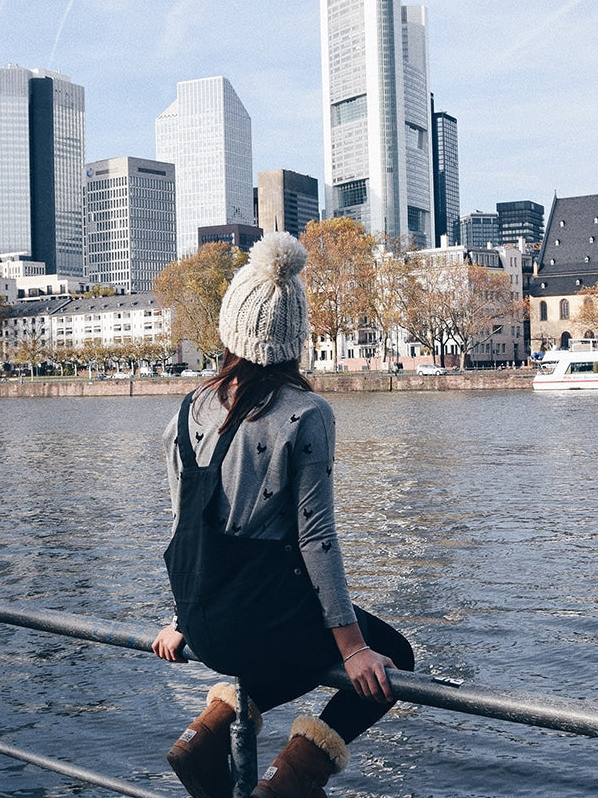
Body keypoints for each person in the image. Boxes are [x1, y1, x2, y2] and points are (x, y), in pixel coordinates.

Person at [152, 231, 415, 798]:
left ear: (229, 327)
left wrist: (181, 617)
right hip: (262, 621)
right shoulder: (306, 413)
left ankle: (210, 729)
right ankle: (296, 773)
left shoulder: (187, 409)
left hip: (204, 626)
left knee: (284, 647)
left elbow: (182, 524)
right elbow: (316, 536)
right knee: (396, 655)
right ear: (295, 337)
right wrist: (353, 648)